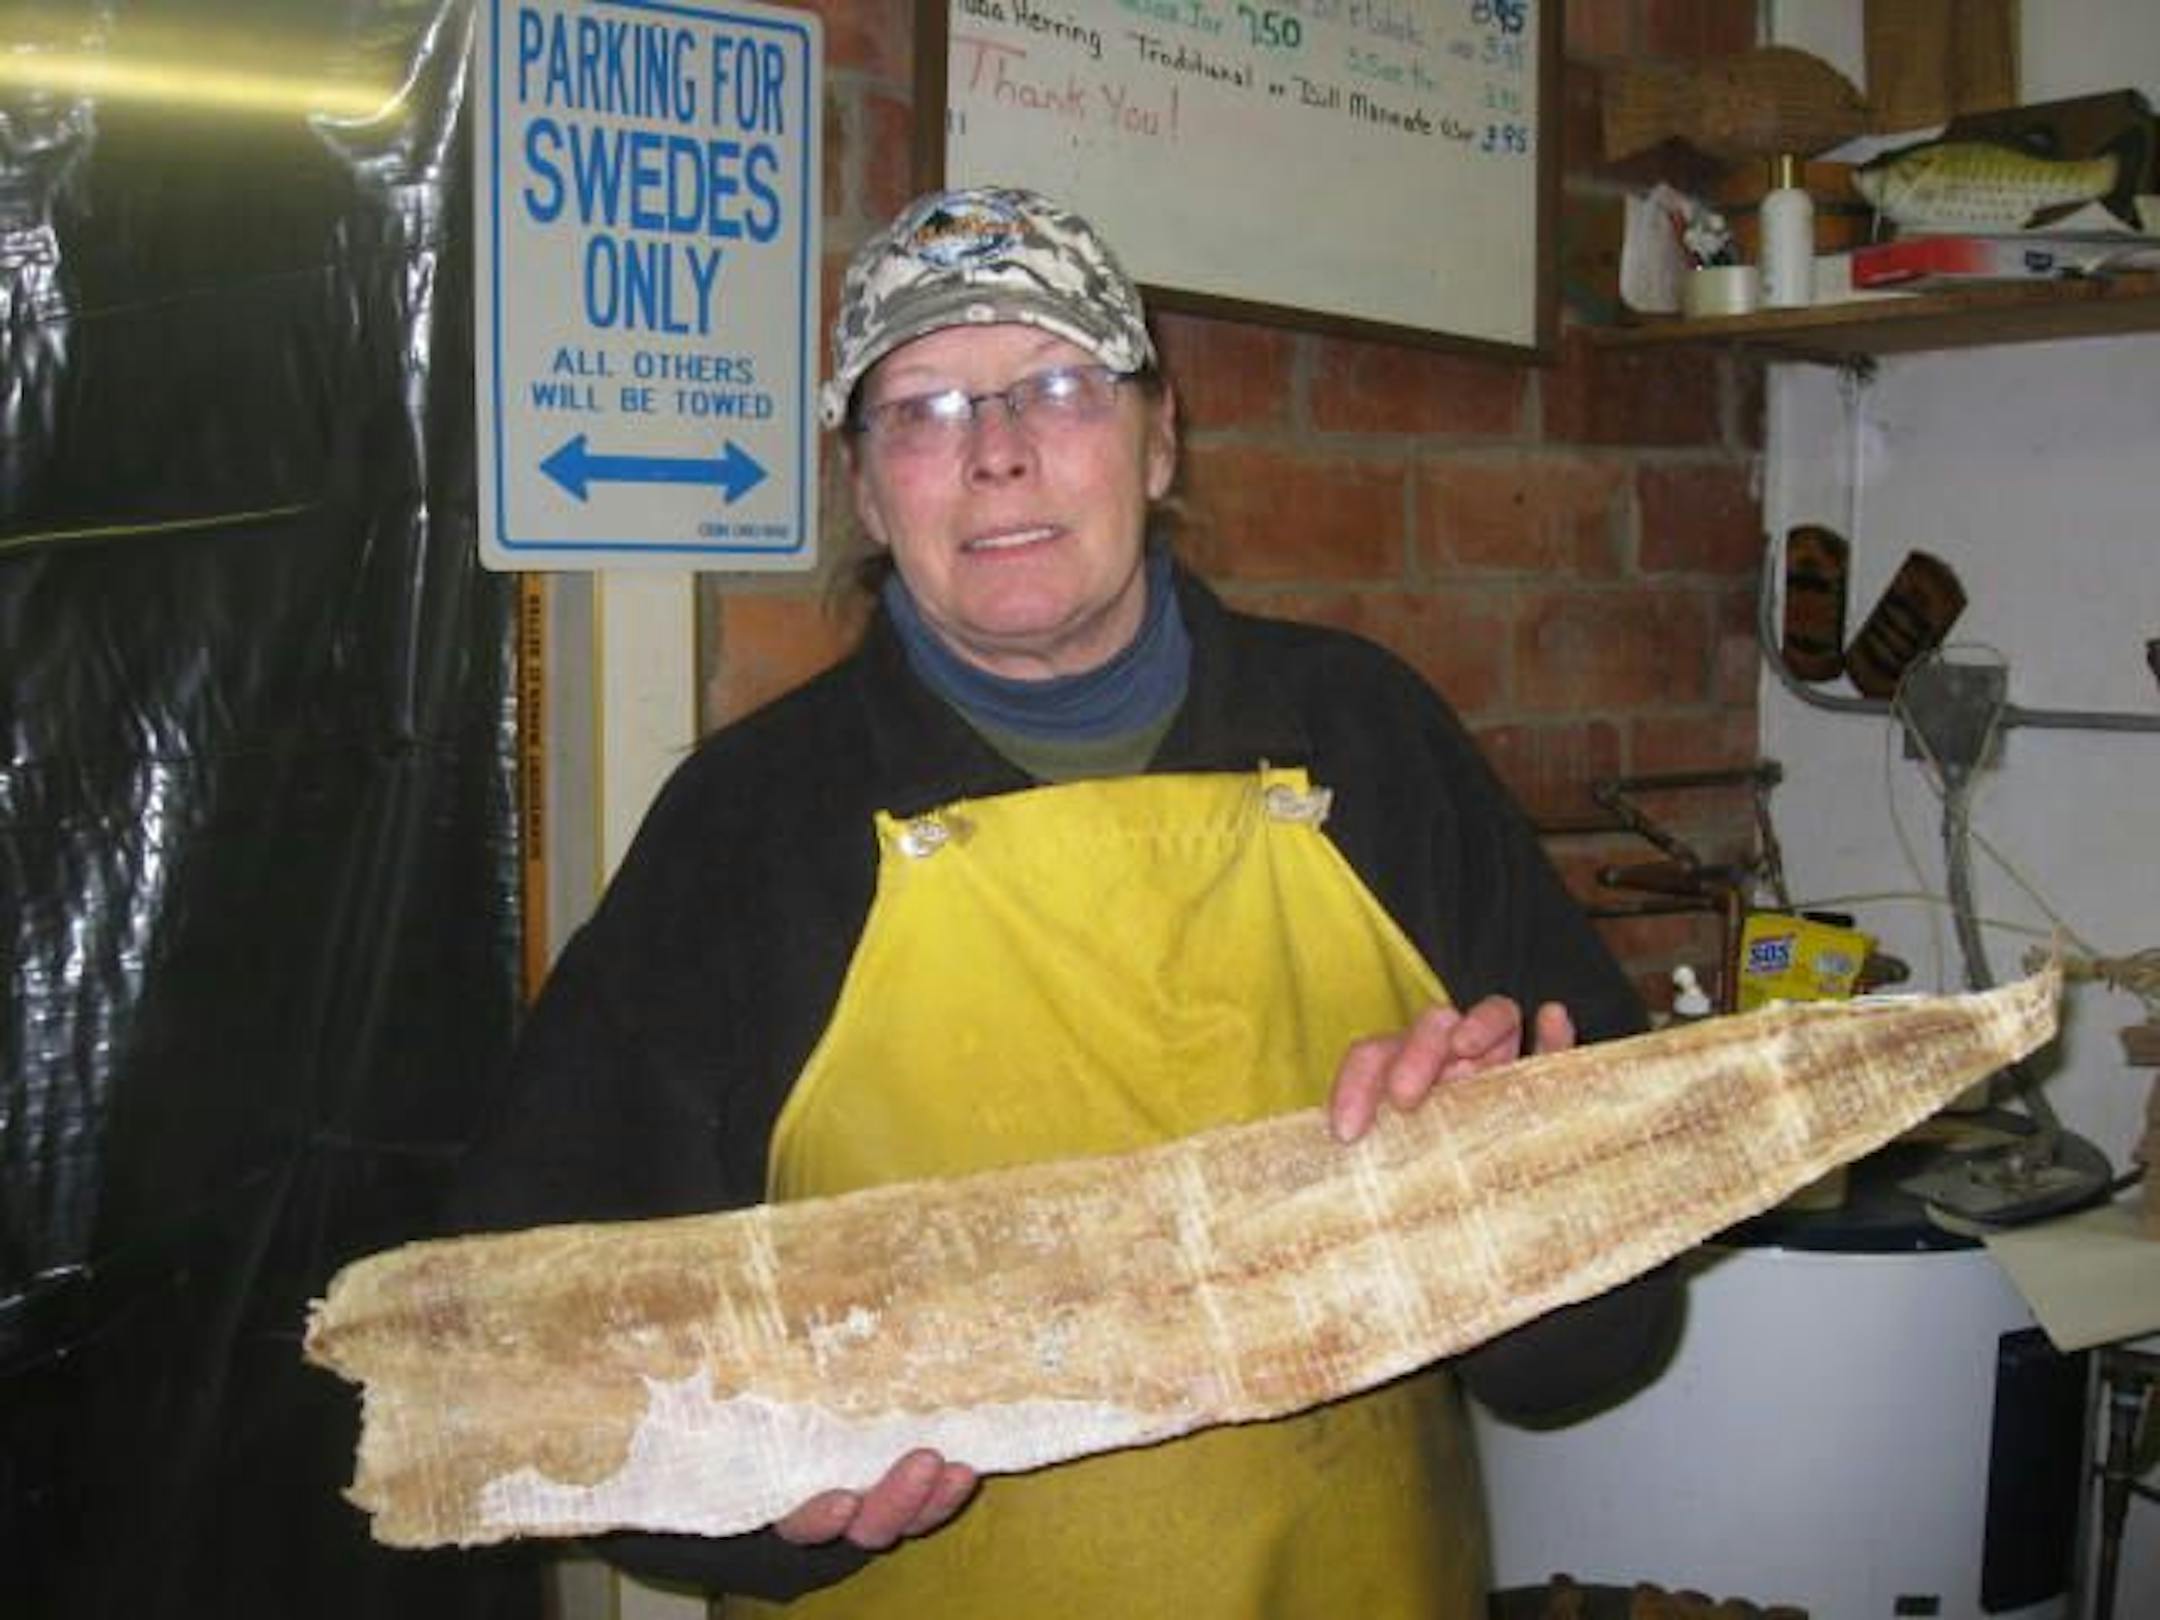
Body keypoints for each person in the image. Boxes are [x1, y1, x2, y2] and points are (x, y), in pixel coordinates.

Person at [450, 186, 1677, 1618]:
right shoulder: (746, 832)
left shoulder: (1375, 744)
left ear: (1162, 440)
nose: (1000, 456)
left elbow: (1610, 1332)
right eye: (923, 409)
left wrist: (1500, 1224)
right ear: (864, 487)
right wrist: (750, 1501)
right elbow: (536, 1345)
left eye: (1057, 386)